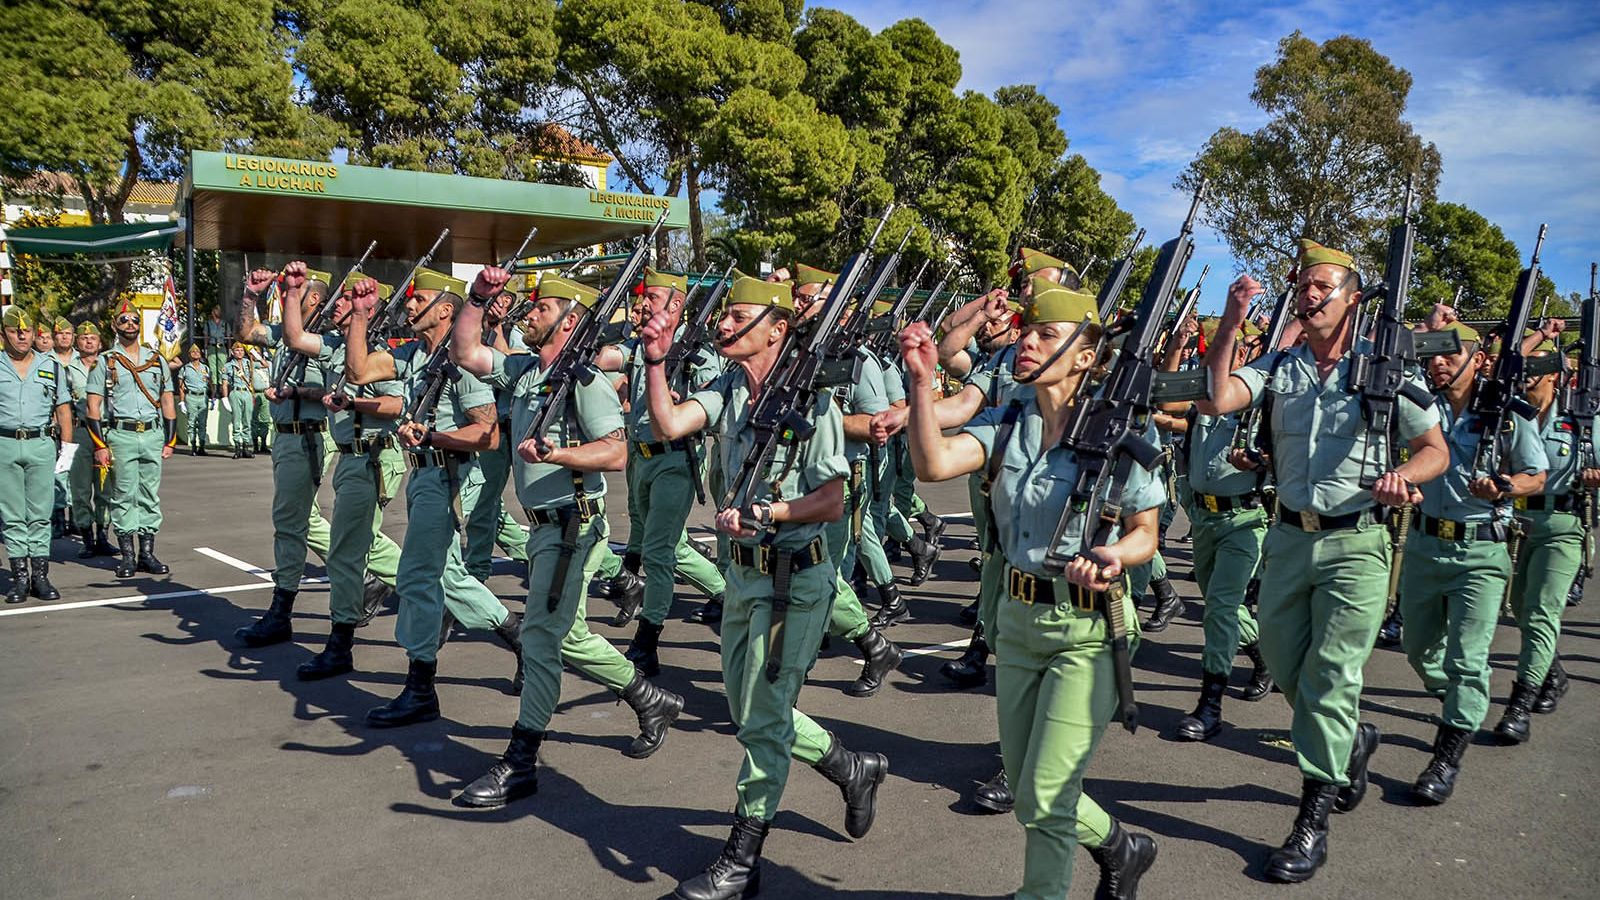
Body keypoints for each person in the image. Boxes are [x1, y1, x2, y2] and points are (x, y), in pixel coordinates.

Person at [1198, 239, 1448, 883]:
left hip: (1357, 544)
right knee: (1286, 665)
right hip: (1286, 539)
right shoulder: (1282, 365)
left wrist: (1402, 475)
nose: (1308, 296)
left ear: (1352, 301)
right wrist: (1231, 320)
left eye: (1322, 287)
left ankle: (1311, 819)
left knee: (1331, 677)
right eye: (1303, 287)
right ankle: (1352, 742)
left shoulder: (1385, 370)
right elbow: (1218, 397)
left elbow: (1434, 450)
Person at [641, 276, 889, 900]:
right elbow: (669, 422)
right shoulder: (726, 390)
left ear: (776, 329)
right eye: (724, 316)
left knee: (763, 718)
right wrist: (655, 359)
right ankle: (850, 766)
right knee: (749, 709)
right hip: (744, 575)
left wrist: (770, 514)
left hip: (795, 579)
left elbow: (832, 501)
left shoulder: (817, 403)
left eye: (738, 316)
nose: (723, 324)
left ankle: (742, 859)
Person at [447, 267, 686, 808]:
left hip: (574, 528)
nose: (529, 313)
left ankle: (522, 758)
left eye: (541, 307)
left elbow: (616, 452)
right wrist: (478, 297)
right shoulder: (526, 371)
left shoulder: (586, 382)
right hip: (543, 532)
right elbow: (466, 352)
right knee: (569, 636)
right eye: (529, 306)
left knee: (539, 640)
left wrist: (558, 454)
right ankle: (649, 698)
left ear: (569, 321)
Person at [341, 268, 520, 727]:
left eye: (419, 299)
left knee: (418, 579)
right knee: (449, 578)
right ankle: (523, 640)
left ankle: (420, 688)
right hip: (424, 479)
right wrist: (361, 314)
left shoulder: (461, 366)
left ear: (446, 308)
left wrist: (435, 436)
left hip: (446, 480)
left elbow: (488, 433)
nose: (409, 305)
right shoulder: (416, 357)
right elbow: (359, 371)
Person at [1398, 321, 1545, 803]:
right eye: (1433, 354)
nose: (1438, 362)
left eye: (1450, 353)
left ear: (1478, 359)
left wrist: (1505, 485)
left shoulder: (1507, 414)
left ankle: (1447, 755)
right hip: (1422, 546)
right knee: (1419, 650)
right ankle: (1463, 702)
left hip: (1480, 552)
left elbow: (1536, 475)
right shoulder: (1424, 406)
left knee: (1467, 658)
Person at [1158, 315, 1274, 742]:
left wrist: (1261, 462)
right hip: (1204, 519)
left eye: (1231, 350)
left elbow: (1288, 458)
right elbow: (1165, 400)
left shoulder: (1266, 399)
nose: (1220, 358)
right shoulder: (1206, 391)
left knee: (1221, 609)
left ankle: (1210, 705)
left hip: (1245, 519)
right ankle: (1265, 656)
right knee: (1223, 606)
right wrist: (1177, 345)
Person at [613, 268, 729, 675]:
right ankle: (728, 595)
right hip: (641, 457)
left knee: (660, 554)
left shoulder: (697, 352)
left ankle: (647, 642)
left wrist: (685, 403)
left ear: (676, 305)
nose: (642, 303)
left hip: (675, 460)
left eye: (652, 297)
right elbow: (609, 363)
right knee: (669, 547)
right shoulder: (638, 346)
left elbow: (716, 407)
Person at [1500, 329, 1589, 740]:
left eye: (1537, 371)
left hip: (1561, 529)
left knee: (1541, 610)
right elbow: (1509, 356)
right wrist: (1536, 335)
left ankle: (1520, 702)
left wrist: (1593, 475)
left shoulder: (1581, 422)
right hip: (1518, 527)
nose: (1528, 376)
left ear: (1555, 377)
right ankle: (1552, 674)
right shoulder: (1513, 416)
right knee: (1521, 607)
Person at [85, 299, 178, 579]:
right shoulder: (105, 361)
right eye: (124, 320)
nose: (130, 325)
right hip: (121, 435)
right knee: (123, 495)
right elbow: (93, 406)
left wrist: (170, 439)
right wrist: (100, 445)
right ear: (114, 324)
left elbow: (167, 400)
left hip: (151, 433)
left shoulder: (156, 360)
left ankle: (146, 554)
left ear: (140, 325)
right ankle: (127, 555)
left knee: (149, 495)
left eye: (134, 321)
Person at [1, 306, 73, 602]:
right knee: (12, 515)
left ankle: (40, 576)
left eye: (27, 330)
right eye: (15, 331)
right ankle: (19, 578)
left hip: (41, 444)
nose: (22, 335)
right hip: (4, 444)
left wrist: (66, 453)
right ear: (3, 333)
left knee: (40, 514)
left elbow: (64, 410)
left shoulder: (51, 365)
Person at [69, 322, 114, 558]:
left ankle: (103, 537)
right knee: (80, 487)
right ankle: (86, 538)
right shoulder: (68, 369)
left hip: (106, 431)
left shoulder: (111, 365)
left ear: (100, 342)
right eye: (84, 338)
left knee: (106, 488)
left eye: (93, 338)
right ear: (77, 342)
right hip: (81, 433)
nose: (88, 341)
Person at [176, 343, 211, 455]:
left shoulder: (205, 368)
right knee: (191, 423)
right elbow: (181, 387)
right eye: (193, 352)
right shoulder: (185, 369)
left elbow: (210, 384)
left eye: (198, 352)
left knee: (202, 423)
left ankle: (201, 446)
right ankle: (193, 446)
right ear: (189, 355)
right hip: (191, 397)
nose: (196, 353)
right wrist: (182, 402)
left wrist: (212, 397)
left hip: (203, 397)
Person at [221, 342, 254, 458]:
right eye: (237, 350)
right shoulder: (228, 366)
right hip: (235, 392)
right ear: (232, 352)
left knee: (247, 420)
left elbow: (263, 366)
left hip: (247, 392)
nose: (239, 352)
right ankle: (238, 447)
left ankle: (246, 446)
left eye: (241, 350)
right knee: (236, 420)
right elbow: (224, 384)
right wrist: (224, 398)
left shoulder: (249, 363)